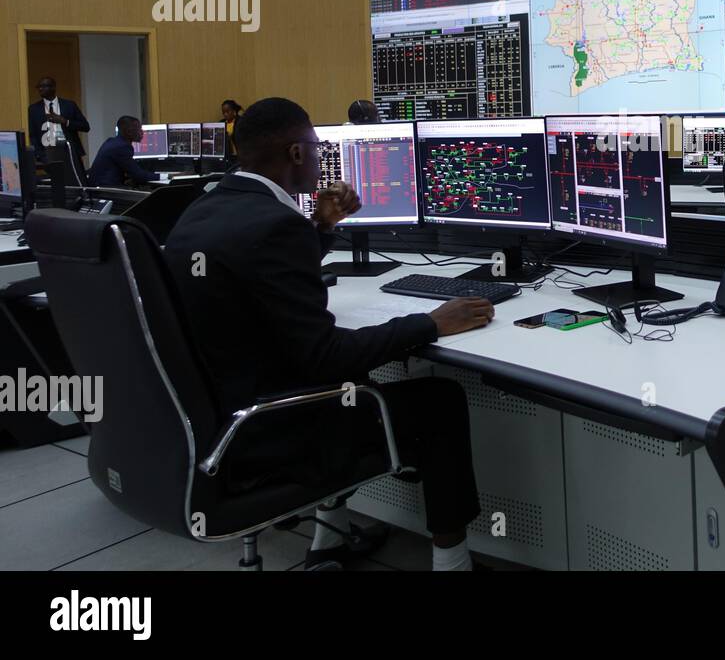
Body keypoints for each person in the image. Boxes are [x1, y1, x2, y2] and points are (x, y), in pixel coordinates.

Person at [162, 97, 492, 571]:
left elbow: (263, 277)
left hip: (218, 417)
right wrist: (432, 322)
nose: (322, 159)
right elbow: (327, 357)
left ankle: (327, 540)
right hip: (270, 427)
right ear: (296, 155)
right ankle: (452, 562)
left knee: (351, 389)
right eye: (317, 149)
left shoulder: (206, 206)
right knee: (437, 400)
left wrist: (320, 226)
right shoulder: (275, 224)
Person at [28, 76, 90, 184]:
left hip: (69, 150)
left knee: (77, 181)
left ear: (53, 87)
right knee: (58, 184)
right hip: (48, 151)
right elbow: (33, 135)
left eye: (44, 86)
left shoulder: (69, 105)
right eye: (39, 87)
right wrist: (40, 155)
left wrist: (65, 121)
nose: (40, 89)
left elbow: (85, 126)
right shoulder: (34, 109)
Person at [87, 116, 160, 187]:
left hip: (99, 187)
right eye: (139, 129)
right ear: (129, 132)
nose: (142, 132)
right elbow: (139, 175)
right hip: (106, 190)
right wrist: (166, 176)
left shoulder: (111, 141)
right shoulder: (122, 147)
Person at [221, 99, 242, 166]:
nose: (225, 114)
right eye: (223, 112)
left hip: (238, 155)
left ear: (233, 111)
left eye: (227, 111)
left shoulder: (240, 122)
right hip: (226, 156)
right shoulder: (221, 123)